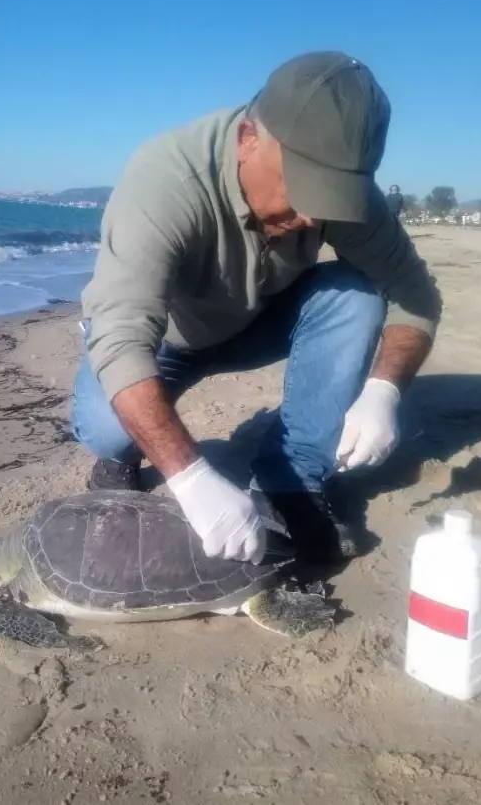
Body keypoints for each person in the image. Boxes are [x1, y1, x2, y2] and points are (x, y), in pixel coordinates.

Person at [71, 51, 441, 565]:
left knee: (356, 293)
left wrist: (385, 391)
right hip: (167, 339)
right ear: (249, 138)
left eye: (335, 196)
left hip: (257, 321)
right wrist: (190, 476)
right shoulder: (166, 181)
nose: (315, 215)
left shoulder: (347, 200)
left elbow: (416, 295)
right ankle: (119, 459)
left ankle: (292, 480)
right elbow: (120, 335)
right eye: (304, 189)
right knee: (107, 430)